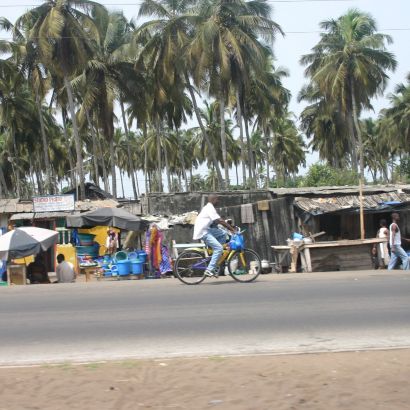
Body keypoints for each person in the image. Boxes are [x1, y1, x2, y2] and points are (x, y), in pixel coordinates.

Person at [193, 194, 236, 277]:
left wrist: (227, 228)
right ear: (213, 200)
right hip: (203, 232)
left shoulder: (209, 207)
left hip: (207, 229)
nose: (218, 201)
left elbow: (216, 221)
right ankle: (209, 270)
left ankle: (215, 255)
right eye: (217, 200)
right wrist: (232, 229)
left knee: (223, 233)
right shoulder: (209, 208)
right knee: (219, 248)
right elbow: (220, 221)